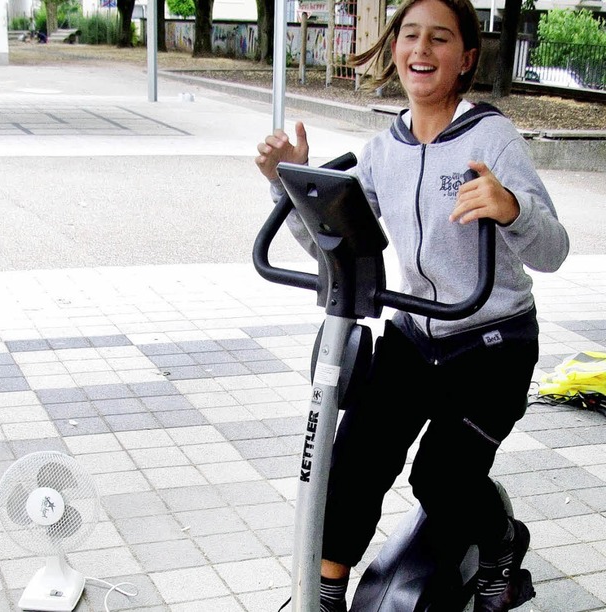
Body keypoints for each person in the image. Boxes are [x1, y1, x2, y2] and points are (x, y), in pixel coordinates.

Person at [255, 0, 570, 610]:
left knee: (442, 479)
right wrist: (289, 182)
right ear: (394, 48)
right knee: (353, 462)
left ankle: (502, 544)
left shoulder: (492, 138)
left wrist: (512, 208)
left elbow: (553, 251)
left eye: (440, 39)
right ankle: (323, 594)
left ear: (465, 59)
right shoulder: (382, 150)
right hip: (413, 335)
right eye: (410, 36)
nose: (421, 50)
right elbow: (337, 251)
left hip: (491, 341)